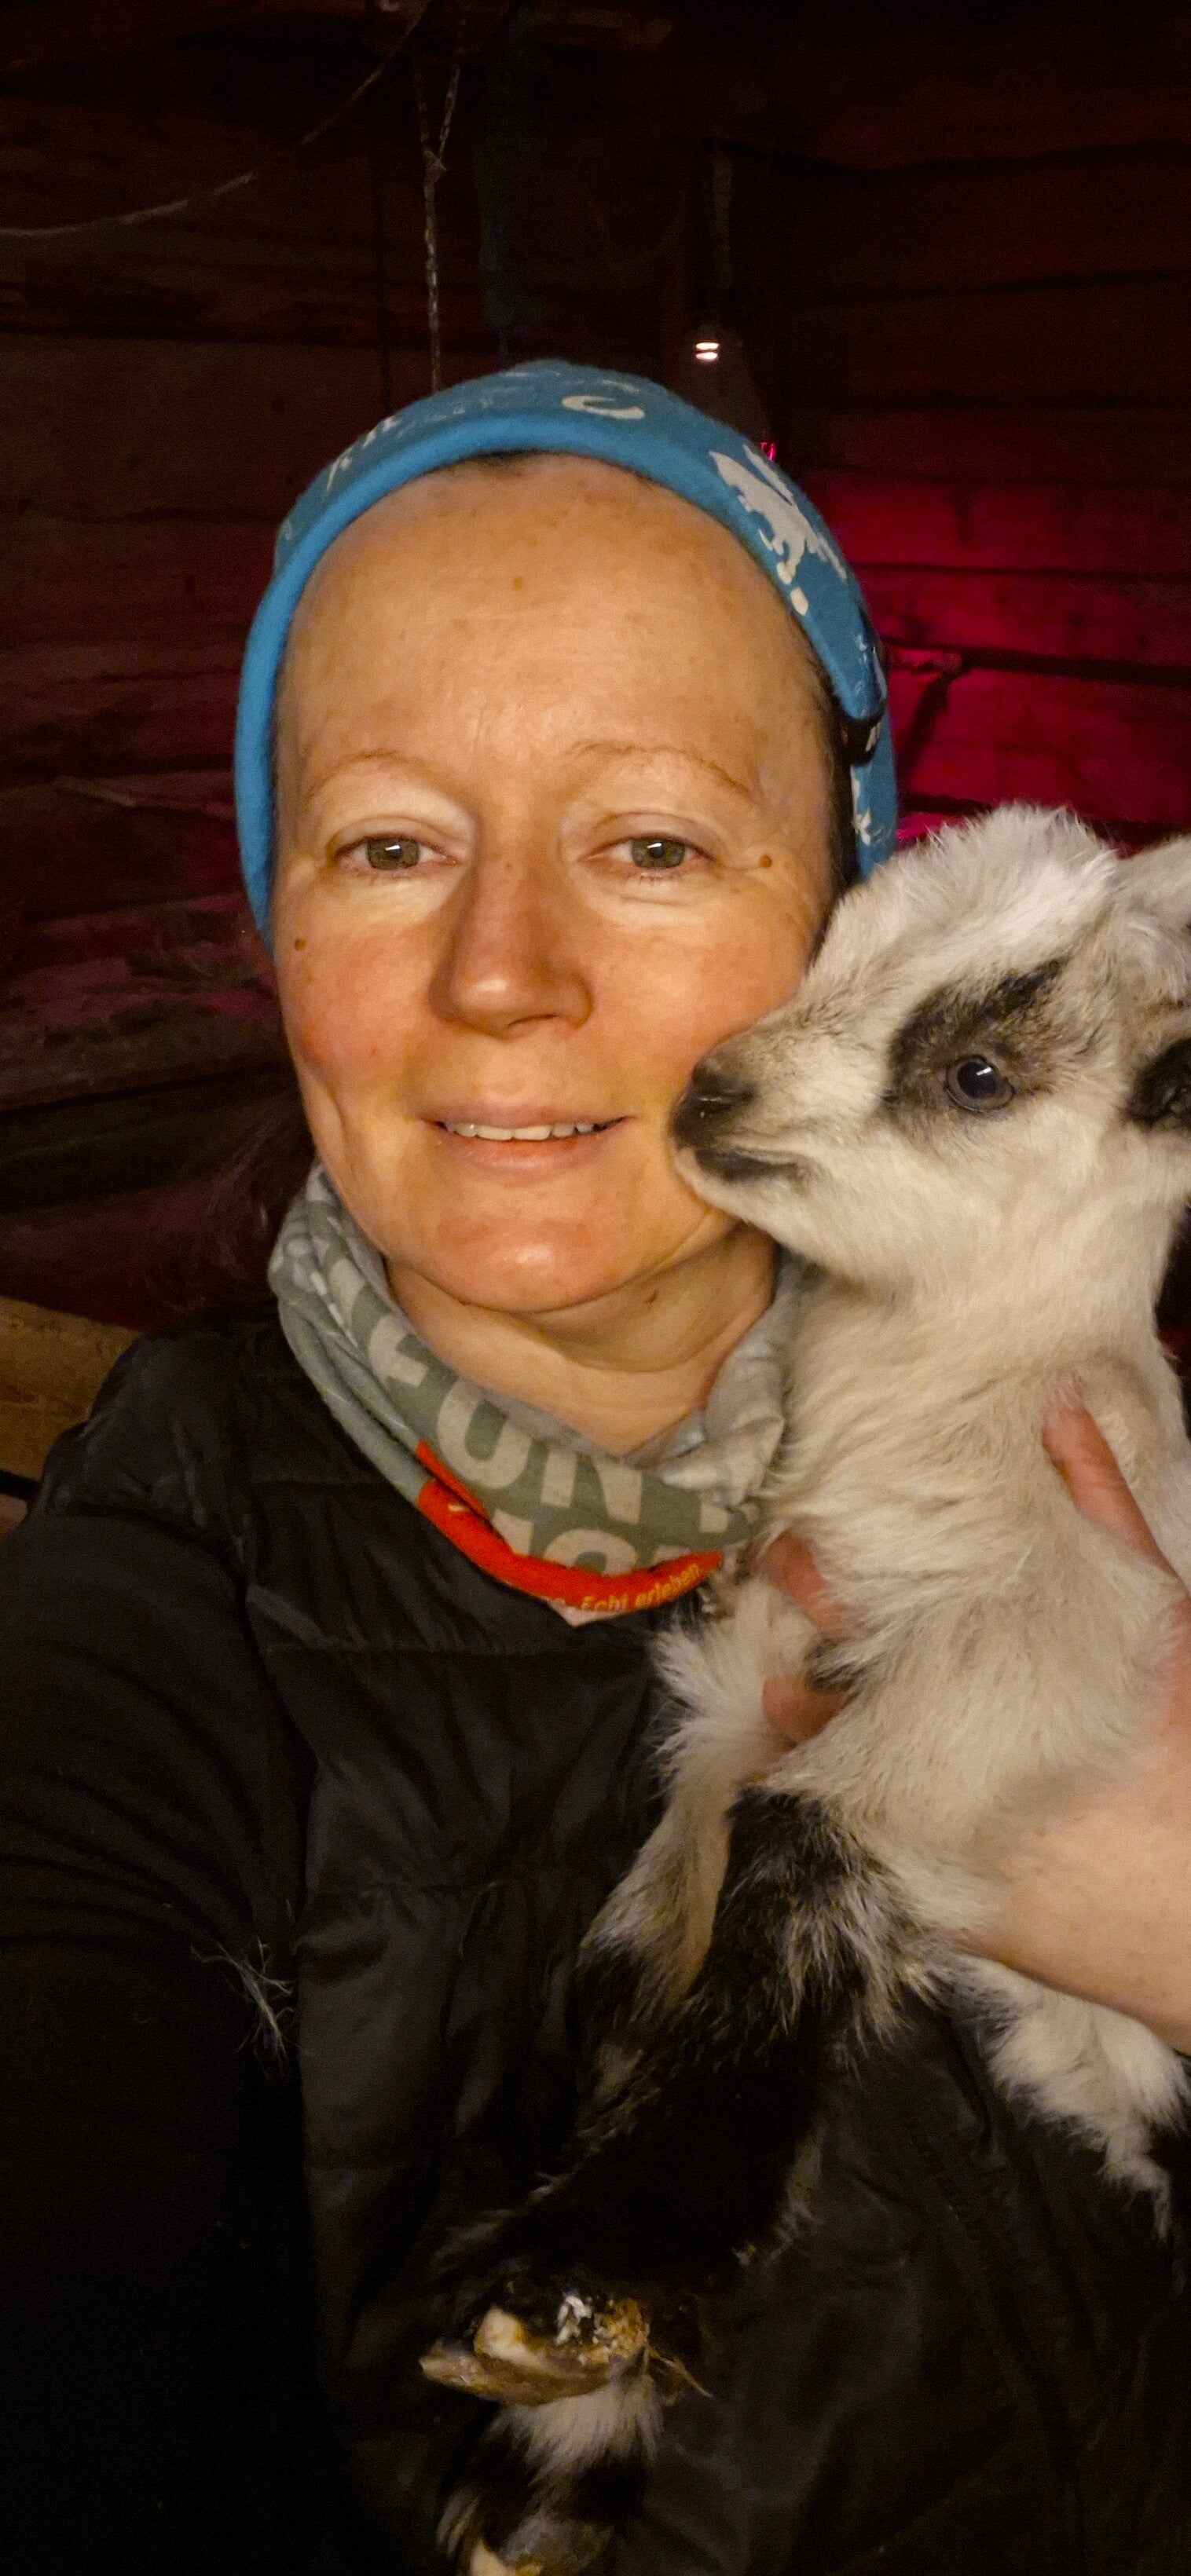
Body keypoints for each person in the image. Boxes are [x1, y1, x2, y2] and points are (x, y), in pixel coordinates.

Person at [2, 360, 1189, 2576]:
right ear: (274, 924)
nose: (501, 975)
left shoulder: (1115, 1455)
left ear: (849, 913)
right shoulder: (169, 1590)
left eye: (648, 843)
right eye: (389, 846)